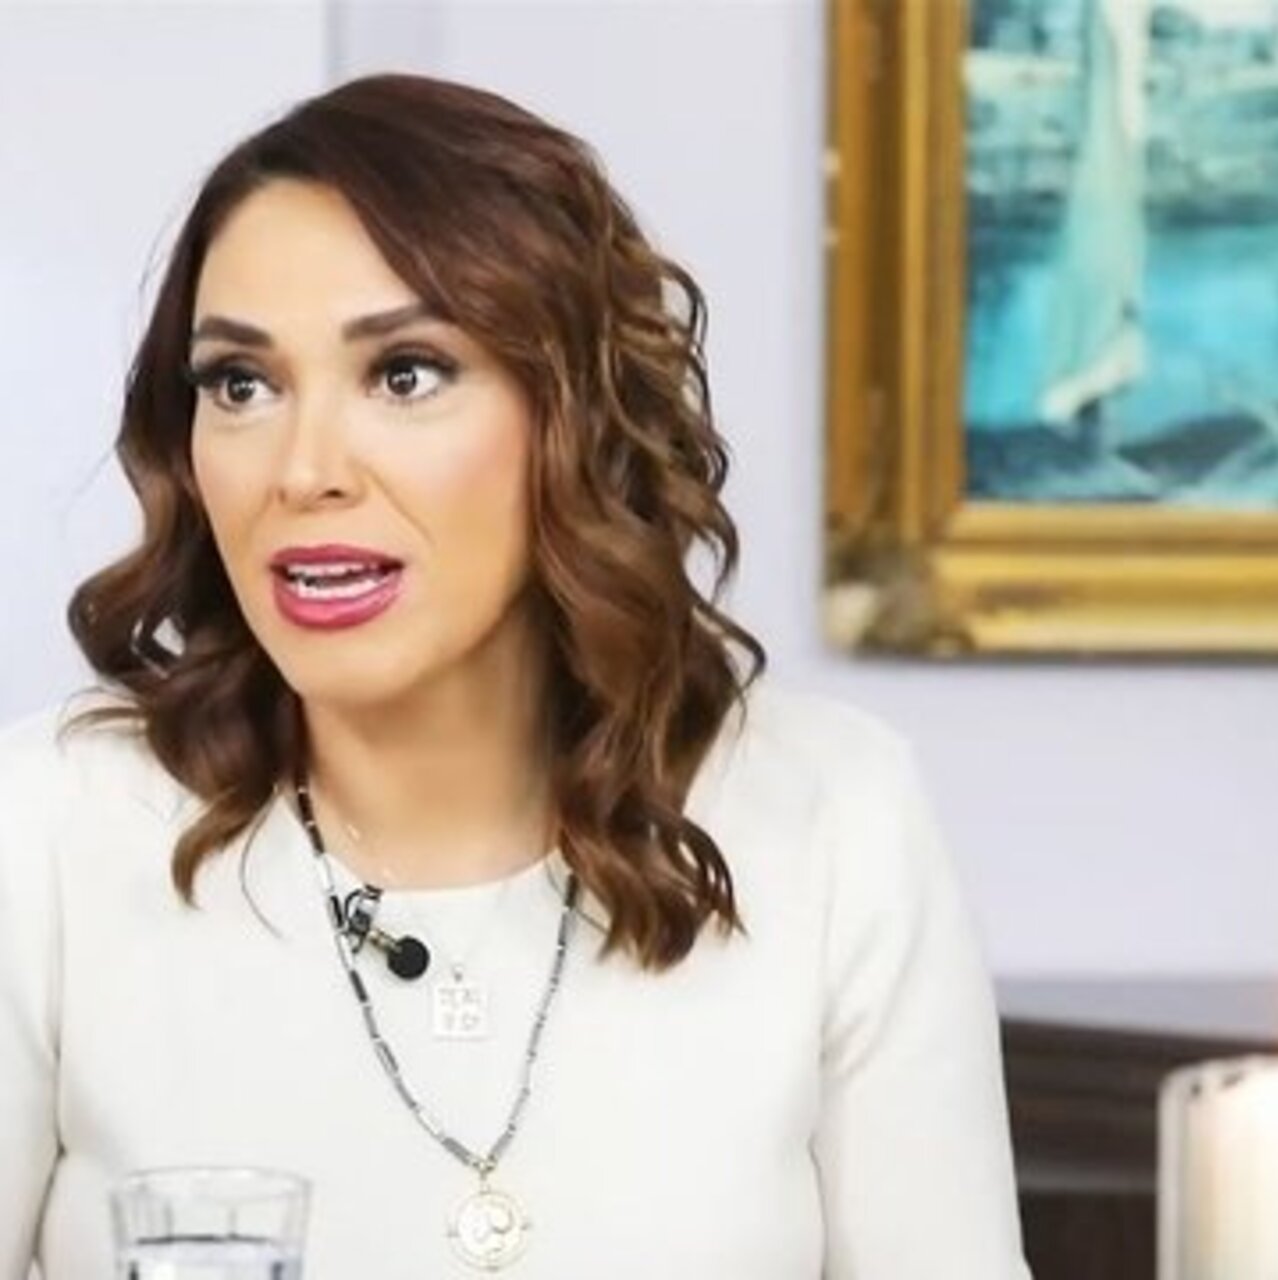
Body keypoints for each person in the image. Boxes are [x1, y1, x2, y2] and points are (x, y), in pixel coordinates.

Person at [0, 74, 1030, 1279]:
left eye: (405, 372)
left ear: (572, 417)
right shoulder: (52, 824)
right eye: (241, 383)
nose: (302, 468)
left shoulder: (833, 815)